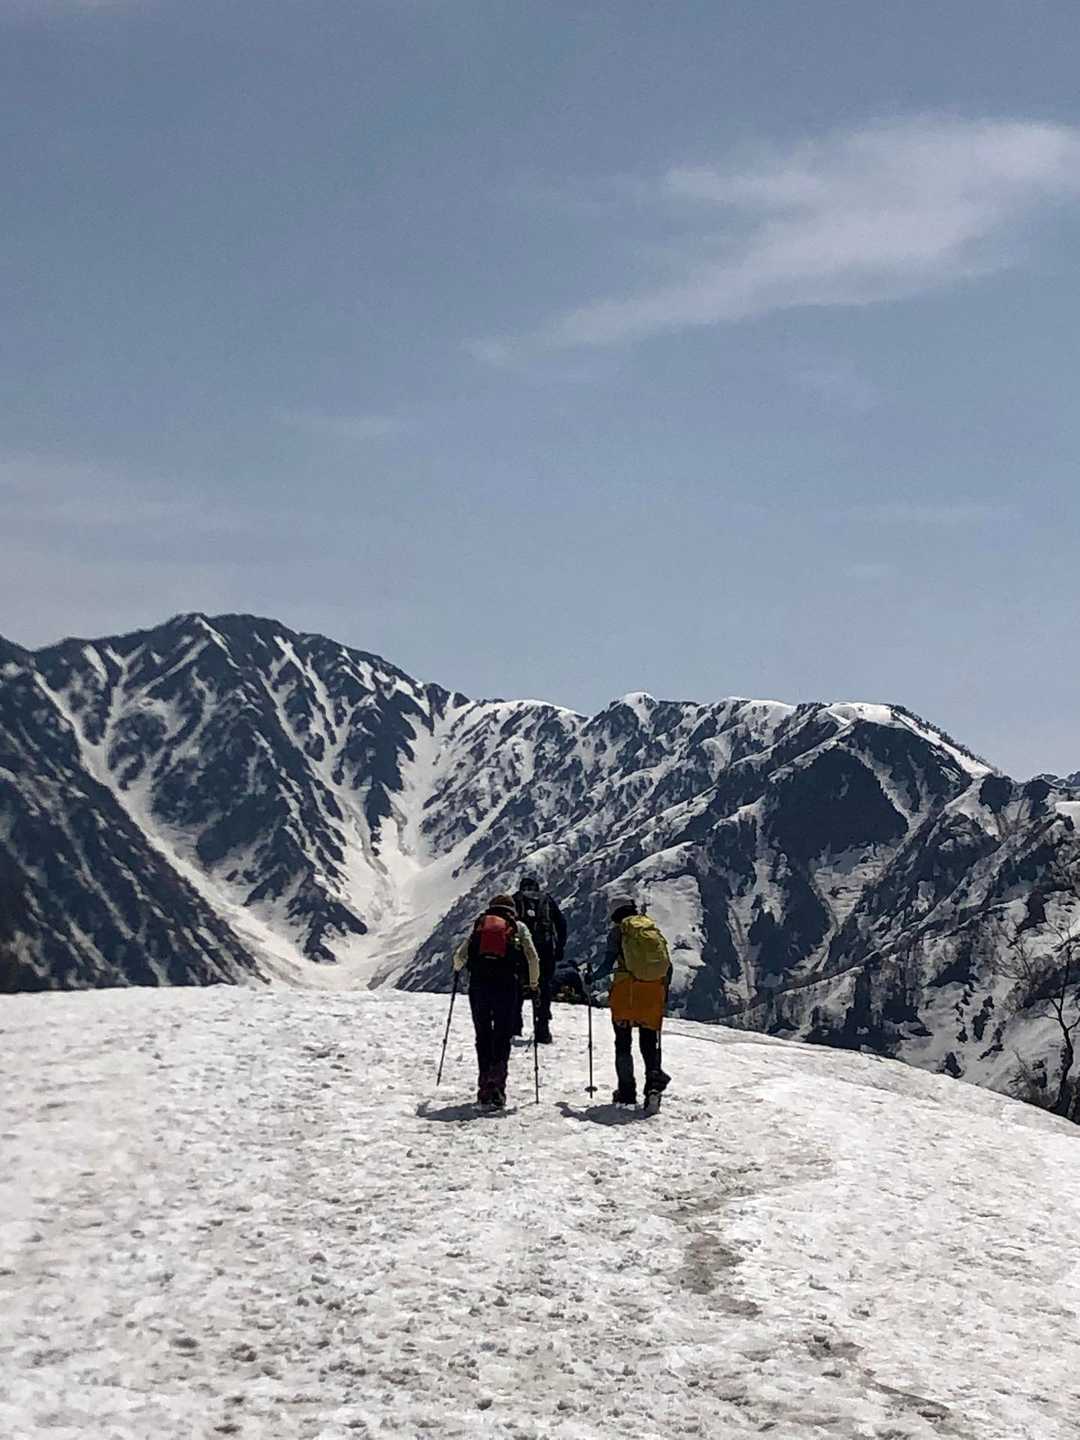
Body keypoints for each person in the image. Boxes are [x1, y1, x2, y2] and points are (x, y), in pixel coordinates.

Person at [453, 894, 540, 1108]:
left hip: (479, 985)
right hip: (506, 986)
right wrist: (533, 984)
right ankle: (498, 1087)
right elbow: (532, 957)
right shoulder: (518, 927)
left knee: (483, 1035)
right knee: (502, 1035)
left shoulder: (481, 924)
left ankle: (484, 1087)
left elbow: (460, 955)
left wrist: (457, 969)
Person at [605, 898, 672, 1108]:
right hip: (651, 992)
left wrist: (590, 977)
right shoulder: (650, 928)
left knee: (623, 1043)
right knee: (649, 1042)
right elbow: (667, 965)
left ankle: (626, 1092)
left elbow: (606, 964)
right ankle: (653, 1087)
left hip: (626, 992)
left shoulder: (618, 932)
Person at [513, 874, 568, 1044]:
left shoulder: (516, 899)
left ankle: (515, 1026)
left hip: (521, 951)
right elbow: (561, 924)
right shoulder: (547, 900)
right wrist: (559, 947)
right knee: (543, 988)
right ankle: (542, 1029)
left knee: (517, 987)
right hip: (545, 951)